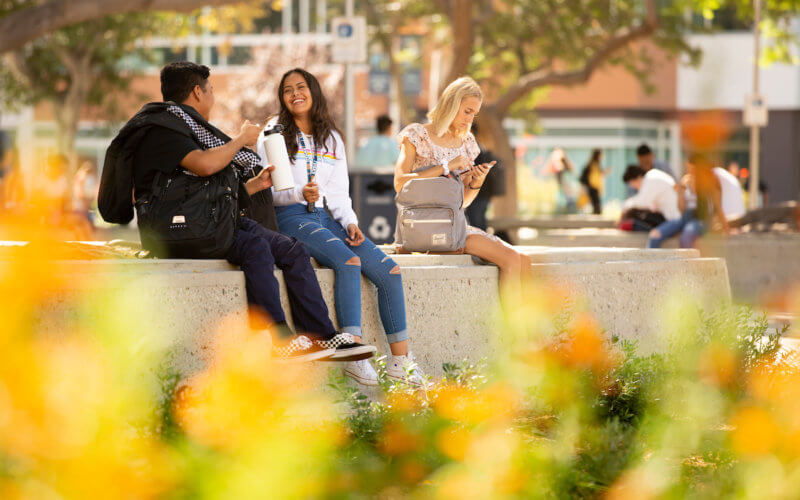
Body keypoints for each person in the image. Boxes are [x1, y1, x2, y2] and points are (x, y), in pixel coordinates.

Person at [100, 61, 376, 363]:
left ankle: (321, 335)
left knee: (293, 250)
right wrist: (242, 140)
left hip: (208, 222)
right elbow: (205, 165)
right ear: (197, 92)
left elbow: (205, 189)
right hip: (180, 231)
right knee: (256, 245)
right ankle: (279, 339)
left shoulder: (189, 128)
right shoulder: (164, 129)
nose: (213, 98)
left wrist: (256, 185)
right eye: (212, 90)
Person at [261, 68, 424, 386]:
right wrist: (299, 193)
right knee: (348, 262)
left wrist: (350, 222)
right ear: (282, 98)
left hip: (328, 217)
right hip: (292, 216)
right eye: (287, 89)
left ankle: (400, 364)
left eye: (301, 87)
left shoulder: (332, 137)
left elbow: (338, 191)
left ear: (314, 92)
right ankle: (355, 357)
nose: (295, 93)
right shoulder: (274, 132)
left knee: (389, 271)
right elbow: (271, 190)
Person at [394, 76, 533, 308]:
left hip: (452, 224)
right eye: (467, 111)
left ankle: (533, 334)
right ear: (451, 103)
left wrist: (476, 182)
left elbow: (462, 203)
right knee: (511, 260)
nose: (470, 119)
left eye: (474, 114)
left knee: (524, 261)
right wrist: (446, 167)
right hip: (424, 226)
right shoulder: (416, 135)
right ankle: (514, 339)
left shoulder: (466, 142)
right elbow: (400, 182)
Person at [647, 154, 730, 248]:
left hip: (701, 219)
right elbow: (681, 209)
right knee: (655, 234)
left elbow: (718, 206)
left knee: (686, 235)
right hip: (685, 217)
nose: (691, 173)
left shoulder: (710, 182)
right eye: (689, 169)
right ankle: (652, 261)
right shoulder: (686, 179)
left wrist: (725, 227)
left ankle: (686, 262)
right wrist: (680, 194)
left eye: (694, 170)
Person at [464, 121, 504, 231]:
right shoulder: (481, 147)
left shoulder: (474, 148)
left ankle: (481, 244)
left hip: (479, 191)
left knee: (477, 221)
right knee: (477, 220)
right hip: (481, 192)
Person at [619, 165, 680, 231]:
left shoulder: (649, 181)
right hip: (673, 215)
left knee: (635, 215)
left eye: (631, 183)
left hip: (672, 219)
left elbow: (640, 202)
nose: (632, 186)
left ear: (638, 177)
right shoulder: (653, 175)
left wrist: (623, 210)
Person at [579, 149, 608, 215]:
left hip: (594, 186)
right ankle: (596, 214)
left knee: (595, 203)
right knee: (596, 203)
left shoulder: (594, 163)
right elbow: (593, 175)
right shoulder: (593, 164)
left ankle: (596, 213)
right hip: (592, 186)